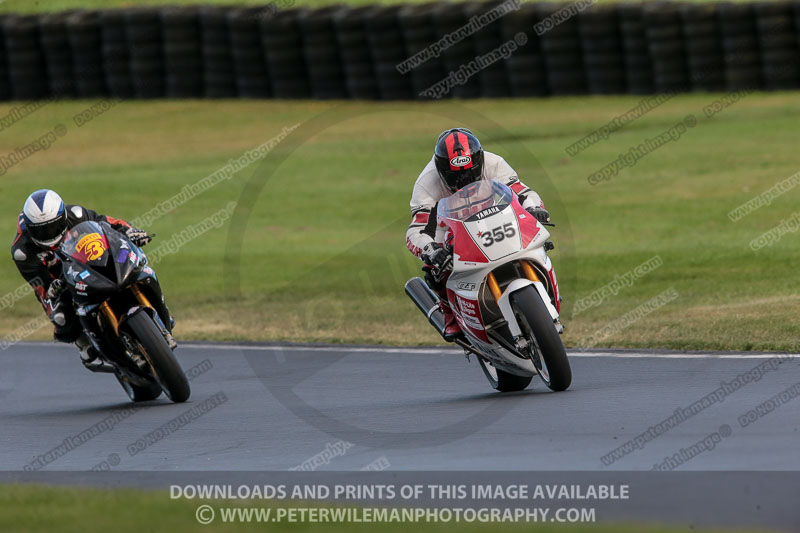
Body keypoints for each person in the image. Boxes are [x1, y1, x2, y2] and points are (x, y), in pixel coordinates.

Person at [405, 128, 551, 341]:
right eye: (454, 175)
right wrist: (429, 249)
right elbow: (417, 229)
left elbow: (522, 192)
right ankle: (450, 313)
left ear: (479, 161)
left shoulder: (494, 162)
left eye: (469, 172)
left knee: (535, 234)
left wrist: (534, 207)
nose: (464, 179)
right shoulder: (426, 183)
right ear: (441, 169)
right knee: (435, 266)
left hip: (495, 214)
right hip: (448, 226)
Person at [11, 189, 152, 369]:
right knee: (61, 318)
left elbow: (108, 223)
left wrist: (129, 231)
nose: (49, 233)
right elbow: (41, 287)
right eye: (41, 230)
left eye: (53, 226)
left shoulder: (76, 214)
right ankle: (84, 344)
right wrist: (53, 291)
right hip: (58, 278)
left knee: (136, 261)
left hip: (89, 257)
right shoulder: (23, 253)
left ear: (62, 217)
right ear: (30, 229)